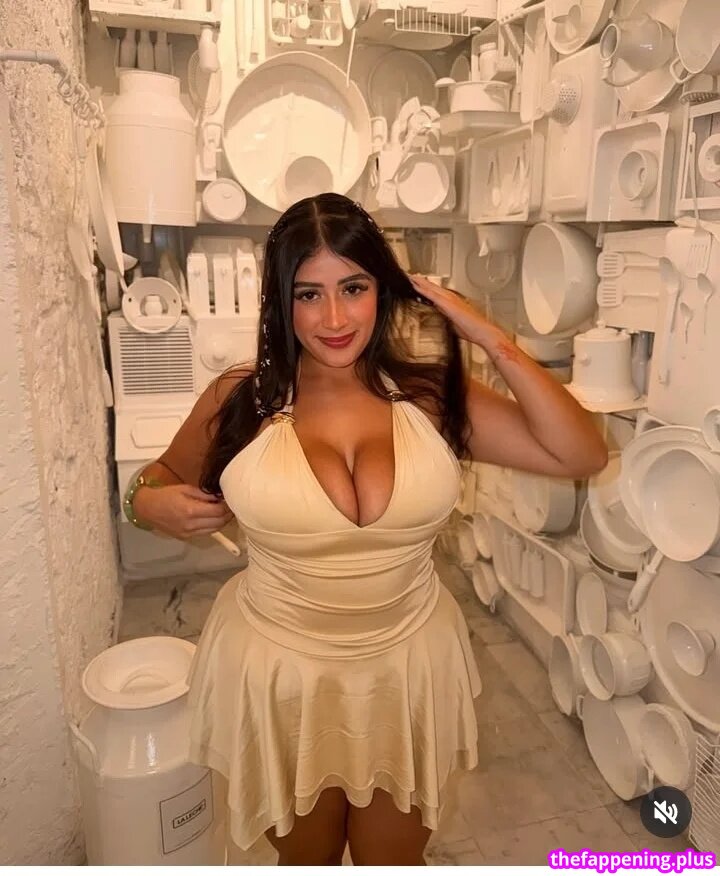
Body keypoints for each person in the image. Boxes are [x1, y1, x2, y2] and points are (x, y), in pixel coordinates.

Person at [127, 193, 608, 865]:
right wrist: (149, 506)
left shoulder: (428, 397)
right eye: (309, 294)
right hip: (282, 675)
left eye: (353, 288)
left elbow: (580, 453)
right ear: (281, 303)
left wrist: (490, 338)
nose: (333, 318)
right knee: (308, 862)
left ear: (382, 289)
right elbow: (149, 481)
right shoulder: (242, 398)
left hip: (403, 671)